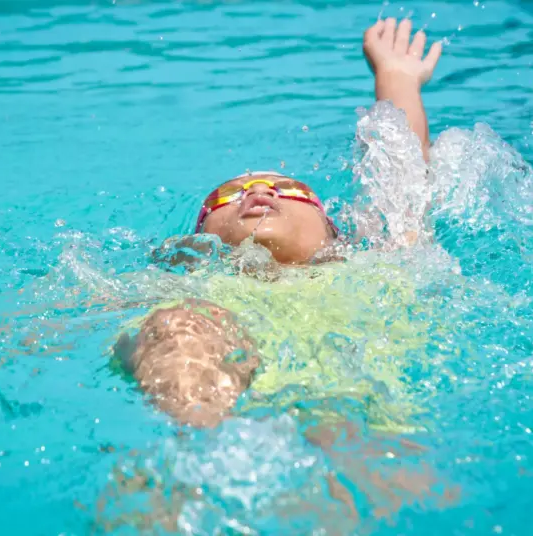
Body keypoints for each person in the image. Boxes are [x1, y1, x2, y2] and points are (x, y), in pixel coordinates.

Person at [113, 17, 444, 429]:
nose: (258, 193)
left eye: (289, 189)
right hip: (214, 387)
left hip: (352, 404)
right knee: (179, 321)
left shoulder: (376, 263)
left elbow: (403, 170)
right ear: (200, 238)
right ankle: (196, 450)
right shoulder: (187, 286)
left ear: (332, 230)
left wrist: (397, 77)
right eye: (227, 195)